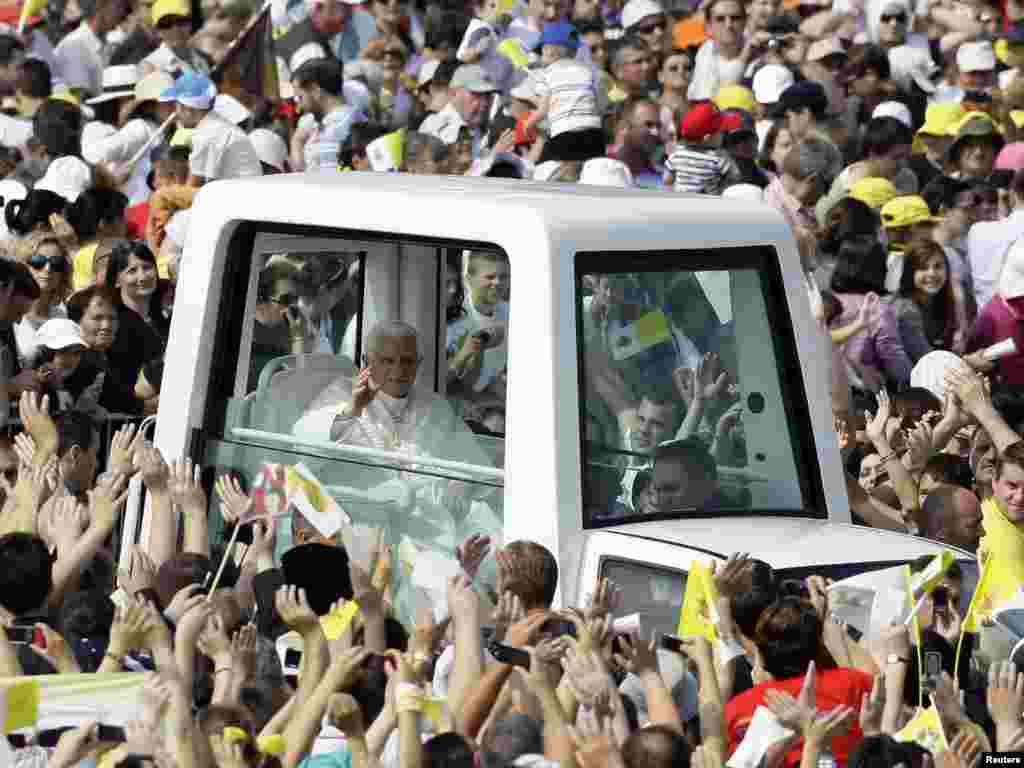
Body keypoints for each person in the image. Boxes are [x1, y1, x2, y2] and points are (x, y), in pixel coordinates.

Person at [158, 72, 262, 184]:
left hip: (238, 196)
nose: (176, 114)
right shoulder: (213, 125)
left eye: (176, 106)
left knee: (163, 196)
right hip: (240, 191)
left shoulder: (205, 134)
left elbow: (194, 185)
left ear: (187, 109)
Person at [527, 22, 605, 164]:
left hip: (565, 133)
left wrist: (529, 125)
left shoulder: (547, 74)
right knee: (592, 172)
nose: (540, 57)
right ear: (574, 52)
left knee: (566, 176)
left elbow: (543, 110)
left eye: (541, 51)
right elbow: (597, 104)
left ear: (549, 51)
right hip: (594, 133)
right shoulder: (587, 71)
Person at [290, 57, 363, 172]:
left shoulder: (340, 128)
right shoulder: (347, 119)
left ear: (315, 90)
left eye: (300, 97)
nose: (298, 108)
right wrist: (297, 140)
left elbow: (319, 179)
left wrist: (296, 142)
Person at [13, 233, 72, 368]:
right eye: (38, 261)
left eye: (56, 263)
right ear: (23, 265)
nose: (48, 269)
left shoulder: (64, 315)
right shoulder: (7, 313)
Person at [53, 0, 131, 99]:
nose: (125, 15)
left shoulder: (104, 44)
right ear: (102, 4)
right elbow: (77, 100)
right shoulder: (75, 46)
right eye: (122, 6)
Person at [419, 64, 497, 158]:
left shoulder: (493, 128)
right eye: (477, 94)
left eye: (488, 95)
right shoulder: (434, 129)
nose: (485, 102)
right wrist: (492, 158)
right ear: (454, 93)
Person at [664, 102, 738, 194]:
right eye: (721, 131)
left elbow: (667, 180)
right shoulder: (717, 157)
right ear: (707, 138)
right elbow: (735, 178)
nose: (724, 134)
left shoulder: (677, 154)